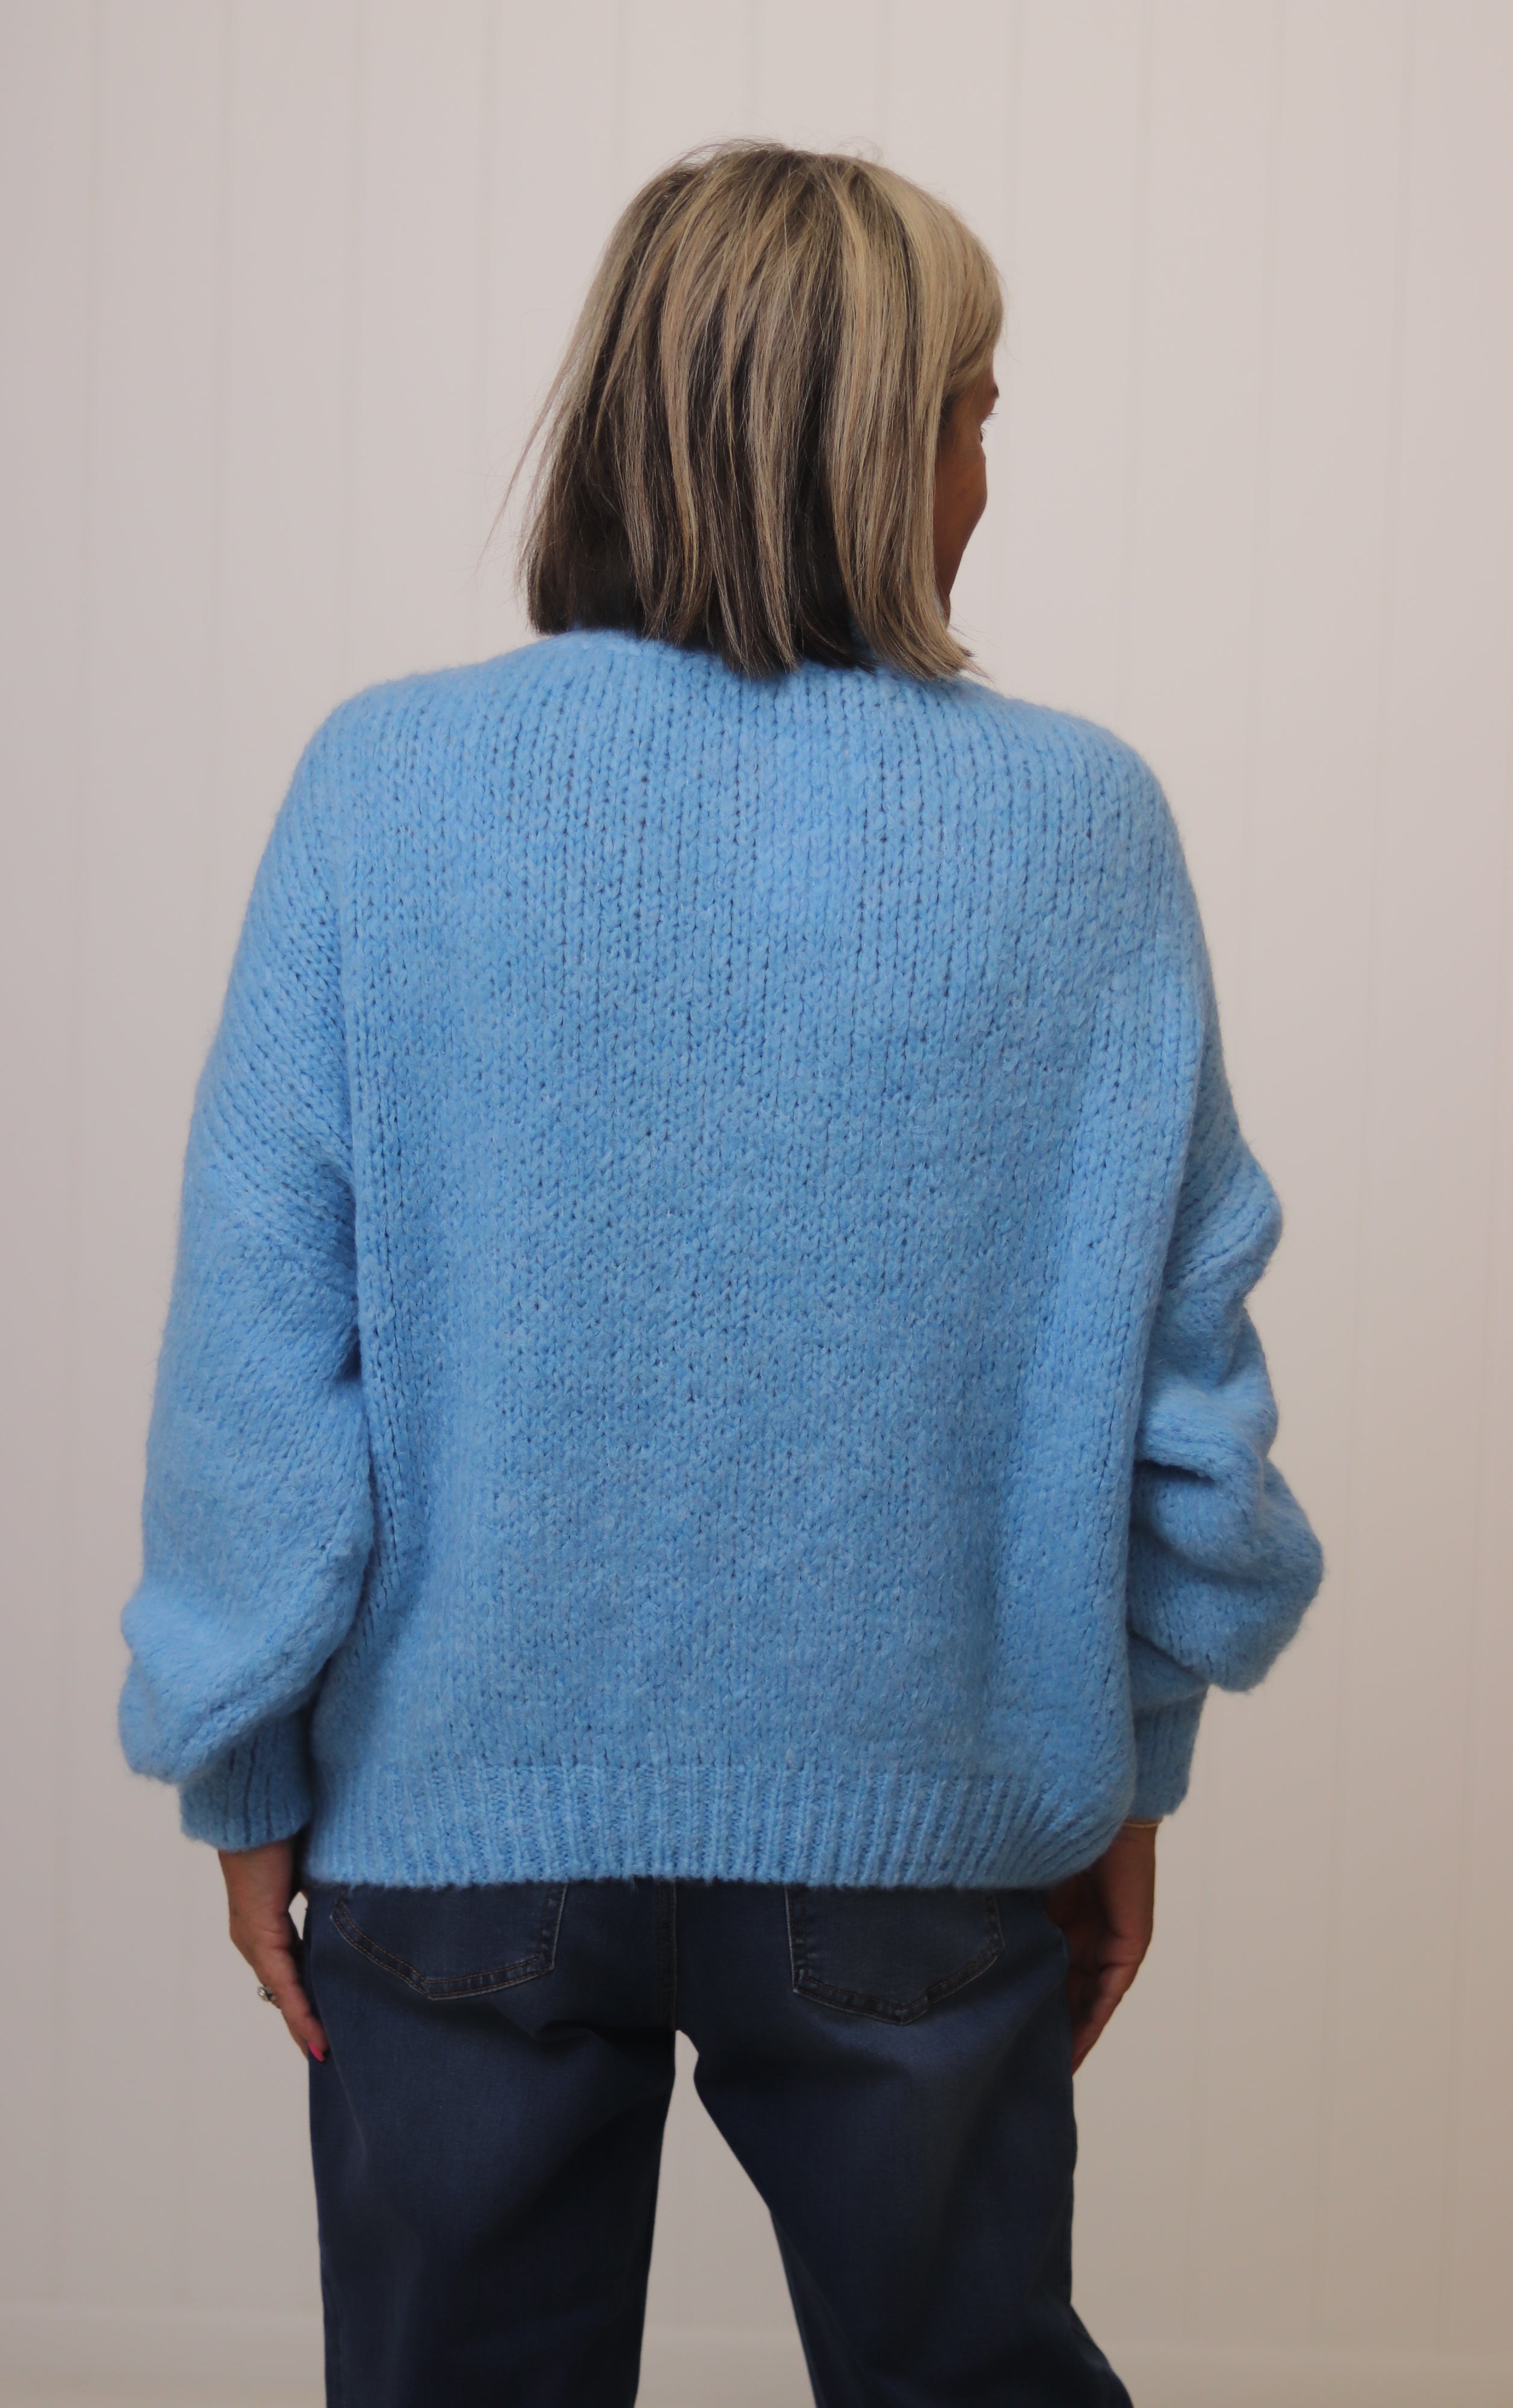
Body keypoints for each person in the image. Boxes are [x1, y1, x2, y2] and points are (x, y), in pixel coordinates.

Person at [118, 141, 1324, 2407]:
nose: (987, 475)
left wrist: (240, 1761)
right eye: (972, 412)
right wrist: (1128, 1759)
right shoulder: (1080, 827)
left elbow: (261, 1352)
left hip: (456, 1831)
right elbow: (1184, 1385)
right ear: (873, 442)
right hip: (927, 1830)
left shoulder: (385, 791)